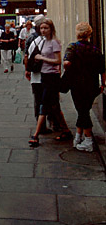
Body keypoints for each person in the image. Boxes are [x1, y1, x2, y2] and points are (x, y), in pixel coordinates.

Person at [63, 22, 105, 152]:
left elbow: (67, 63)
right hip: (92, 84)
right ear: (89, 34)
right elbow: (103, 69)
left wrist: (70, 67)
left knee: (82, 111)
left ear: (77, 33)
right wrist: (103, 84)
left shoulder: (72, 47)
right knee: (84, 110)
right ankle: (78, 136)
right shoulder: (96, 50)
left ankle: (88, 141)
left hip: (77, 84)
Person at [28, 19, 71, 147]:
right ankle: (66, 130)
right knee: (54, 106)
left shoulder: (54, 43)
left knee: (44, 104)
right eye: (41, 28)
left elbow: (58, 61)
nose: (43, 30)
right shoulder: (43, 41)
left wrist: (42, 58)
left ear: (51, 29)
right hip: (44, 76)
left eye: (46, 28)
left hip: (52, 77)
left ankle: (35, 135)